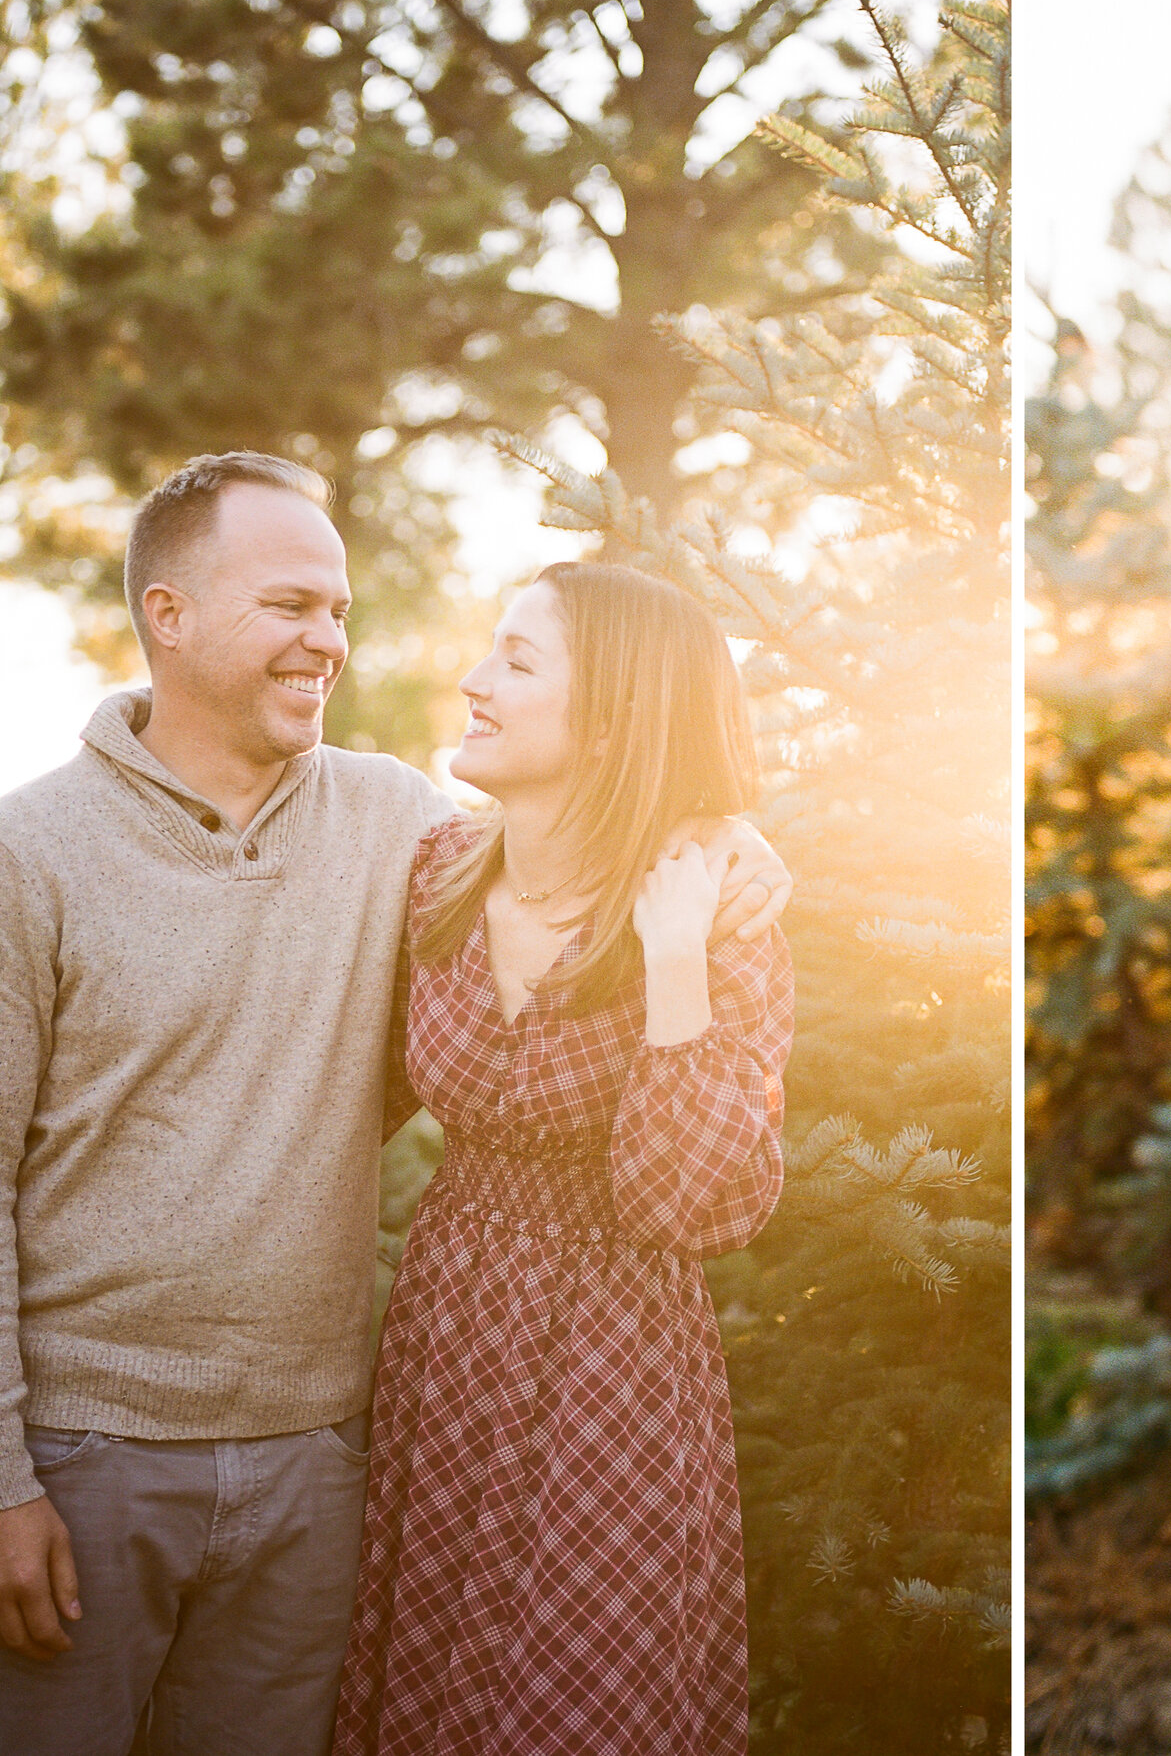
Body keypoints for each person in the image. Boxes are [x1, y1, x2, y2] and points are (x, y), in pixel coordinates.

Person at [0, 453, 788, 1756]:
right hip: (84, 1454)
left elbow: (611, 817)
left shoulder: (395, 826)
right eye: (291, 605)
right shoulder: (26, 856)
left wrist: (721, 855)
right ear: (169, 615)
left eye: (340, 609)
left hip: (319, 1459)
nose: (330, 641)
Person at [331, 563, 791, 1756]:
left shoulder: (716, 912)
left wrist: (675, 960)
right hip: (448, 1343)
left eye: (518, 662)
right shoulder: (435, 873)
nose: (474, 681)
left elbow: (690, 1199)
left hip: (614, 1359)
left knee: (573, 1708)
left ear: (612, 721)